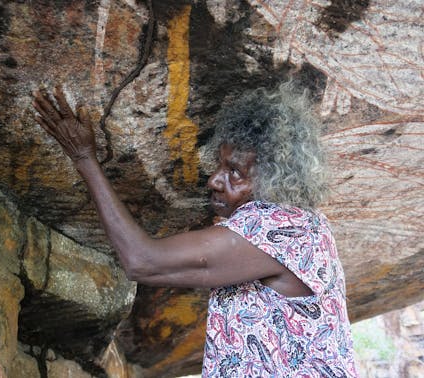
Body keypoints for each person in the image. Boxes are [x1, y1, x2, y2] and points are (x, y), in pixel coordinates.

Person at [32, 83, 359, 377]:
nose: (214, 180)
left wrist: (84, 157)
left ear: (274, 180)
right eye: (220, 165)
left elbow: (142, 261)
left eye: (235, 172)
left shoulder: (286, 228)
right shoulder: (302, 232)